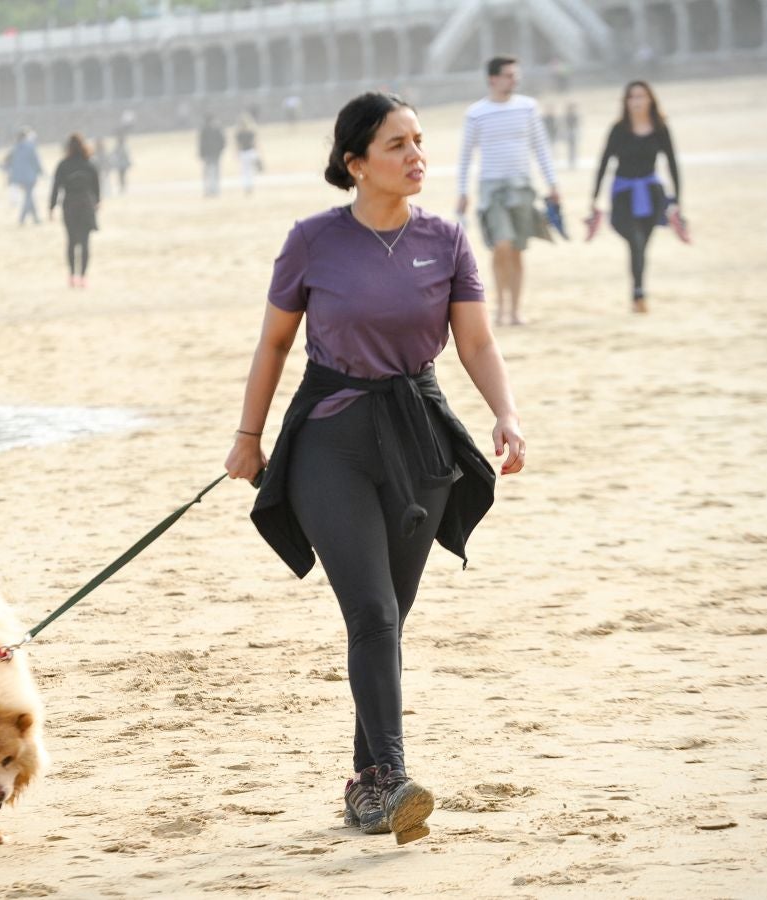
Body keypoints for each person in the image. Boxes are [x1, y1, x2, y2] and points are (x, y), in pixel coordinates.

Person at [223, 92, 525, 846]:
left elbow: (476, 344)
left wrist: (505, 414)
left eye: (420, 140)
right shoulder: (311, 242)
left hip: (418, 438)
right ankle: (388, 777)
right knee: (372, 612)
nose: (416, 155)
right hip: (330, 437)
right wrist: (248, 435)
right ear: (355, 163)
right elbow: (273, 346)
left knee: (388, 620)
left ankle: (363, 784)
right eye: (397, 145)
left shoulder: (446, 240)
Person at [456, 56, 560, 327]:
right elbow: (466, 156)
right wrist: (462, 191)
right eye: (509, 75)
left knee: (516, 249)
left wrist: (553, 185)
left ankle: (514, 311)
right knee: (500, 245)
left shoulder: (528, 108)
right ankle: (500, 308)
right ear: (493, 78)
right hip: (491, 190)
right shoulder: (476, 113)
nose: (515, 79)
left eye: (516, 75)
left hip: (522, 187)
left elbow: (541, 148)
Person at [590, 81, 684, 314]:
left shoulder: (660, 128)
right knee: (636, 240)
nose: (637, 101)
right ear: (626, 102)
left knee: (643, 245)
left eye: (641, 96)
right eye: (632, 97)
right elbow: (603, 163)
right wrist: (594, 198)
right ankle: (639, 292)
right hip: (623, 194)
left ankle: (638, 292)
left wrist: (677, 200)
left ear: (650, 99)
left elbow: (672, 164)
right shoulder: (619, 129)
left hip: (652, 194)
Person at [48, 133, 101, 289]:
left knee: (71, 242)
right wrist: (97, 201)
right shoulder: (89, 164)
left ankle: (72, 276)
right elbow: (96, 186)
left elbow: (55, 187)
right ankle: (83, 277)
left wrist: (51, 207)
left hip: (69, 205)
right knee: (85, 242)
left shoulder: (63, 165)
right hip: (85, 204)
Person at [6, 130, 44, 226]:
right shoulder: (30, 147)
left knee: (29, 196)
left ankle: (34, 218)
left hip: (19, 177)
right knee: (29, 196)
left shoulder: (15, 148)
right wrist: (41, 171)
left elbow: (8, 162)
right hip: (29, 176)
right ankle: (23, 218)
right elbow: (36, 161)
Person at [199, 114, 226, 197]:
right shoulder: (217, 129)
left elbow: (201, 143)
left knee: (208, 173)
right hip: (215, 153)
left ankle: (209, 190)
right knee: (214, 172)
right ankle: (214, 190)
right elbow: (223, 141)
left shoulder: (204, 130)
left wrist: (201, 153)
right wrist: (220, 150)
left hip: (209, 154)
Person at [235, 113, 261, 195]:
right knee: (251, 171)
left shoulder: (239, 134)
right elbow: (255, 144)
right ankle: (250, 186)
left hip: (243, 153)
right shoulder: (251, 132)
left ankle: (246, 186)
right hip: (251, 152)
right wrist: (258, 153)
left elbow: (238, 146)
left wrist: (237, 154)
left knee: (244, 171)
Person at [564, 102, 581, 170]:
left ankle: (574, 161)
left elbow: (577, 125)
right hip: (569, 133)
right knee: (570, 149)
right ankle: (570, 162)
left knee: (574, 149)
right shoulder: (567, 116)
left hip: (573, 132)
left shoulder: (575, 116)